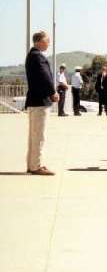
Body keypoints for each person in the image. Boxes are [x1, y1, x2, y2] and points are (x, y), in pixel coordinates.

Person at [24, 31, 59, 175]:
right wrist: (53, 92)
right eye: (46, 40)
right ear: (38, 41)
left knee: (33, 136)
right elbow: (44, 77)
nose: (48, 43)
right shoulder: (38, 57)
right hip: (40, 101)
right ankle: (36, 166)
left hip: (34, 100)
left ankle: (32, 164)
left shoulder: (31, 55)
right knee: (39, 136)